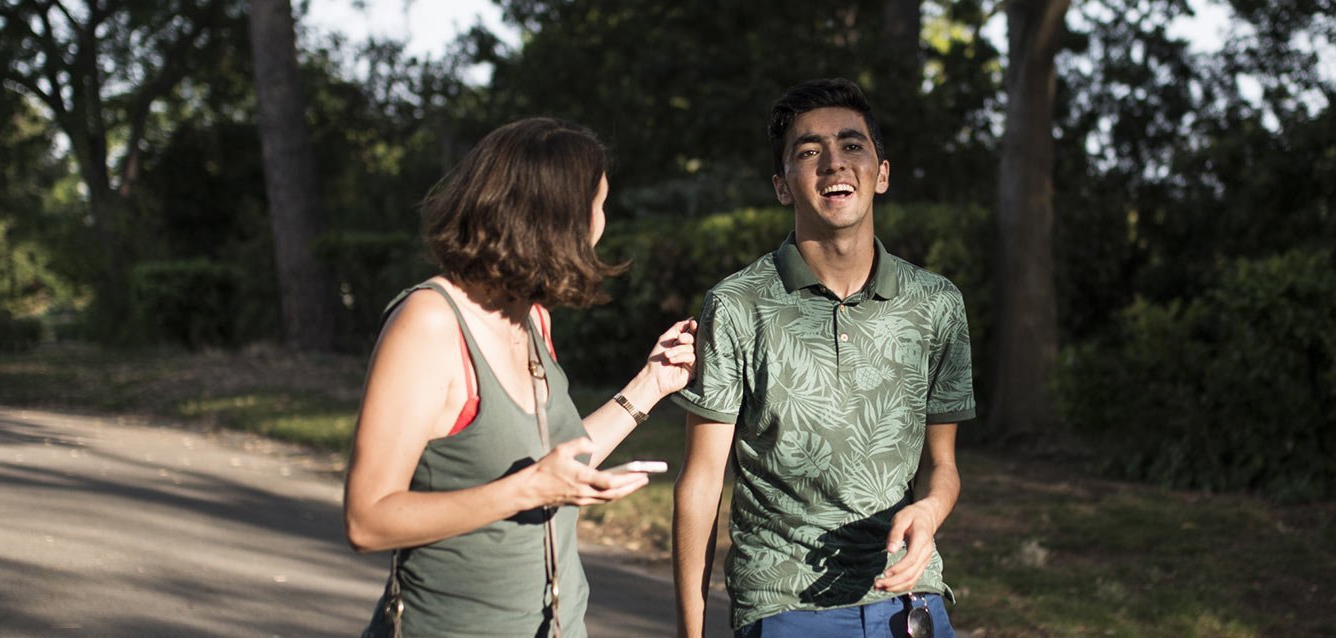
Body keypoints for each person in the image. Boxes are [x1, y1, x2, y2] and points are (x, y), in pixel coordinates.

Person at [344, 117, 697, 638]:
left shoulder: (530, 317)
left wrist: (651, 384)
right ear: (555, 217)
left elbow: (557, 463)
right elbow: (367, 520)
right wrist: (527, 489)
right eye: (598, 205)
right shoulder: (430, 323)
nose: (602, 223)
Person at [670, 78, 976, 638]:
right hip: (783, 605)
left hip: (910, 600)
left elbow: (943, 465)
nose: (834, 163)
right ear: (783, 186)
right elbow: (701, 481)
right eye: (808, 152)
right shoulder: (737, 304)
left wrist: (930, 511)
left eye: (852, 145)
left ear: (881, 173)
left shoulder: (936, 303)